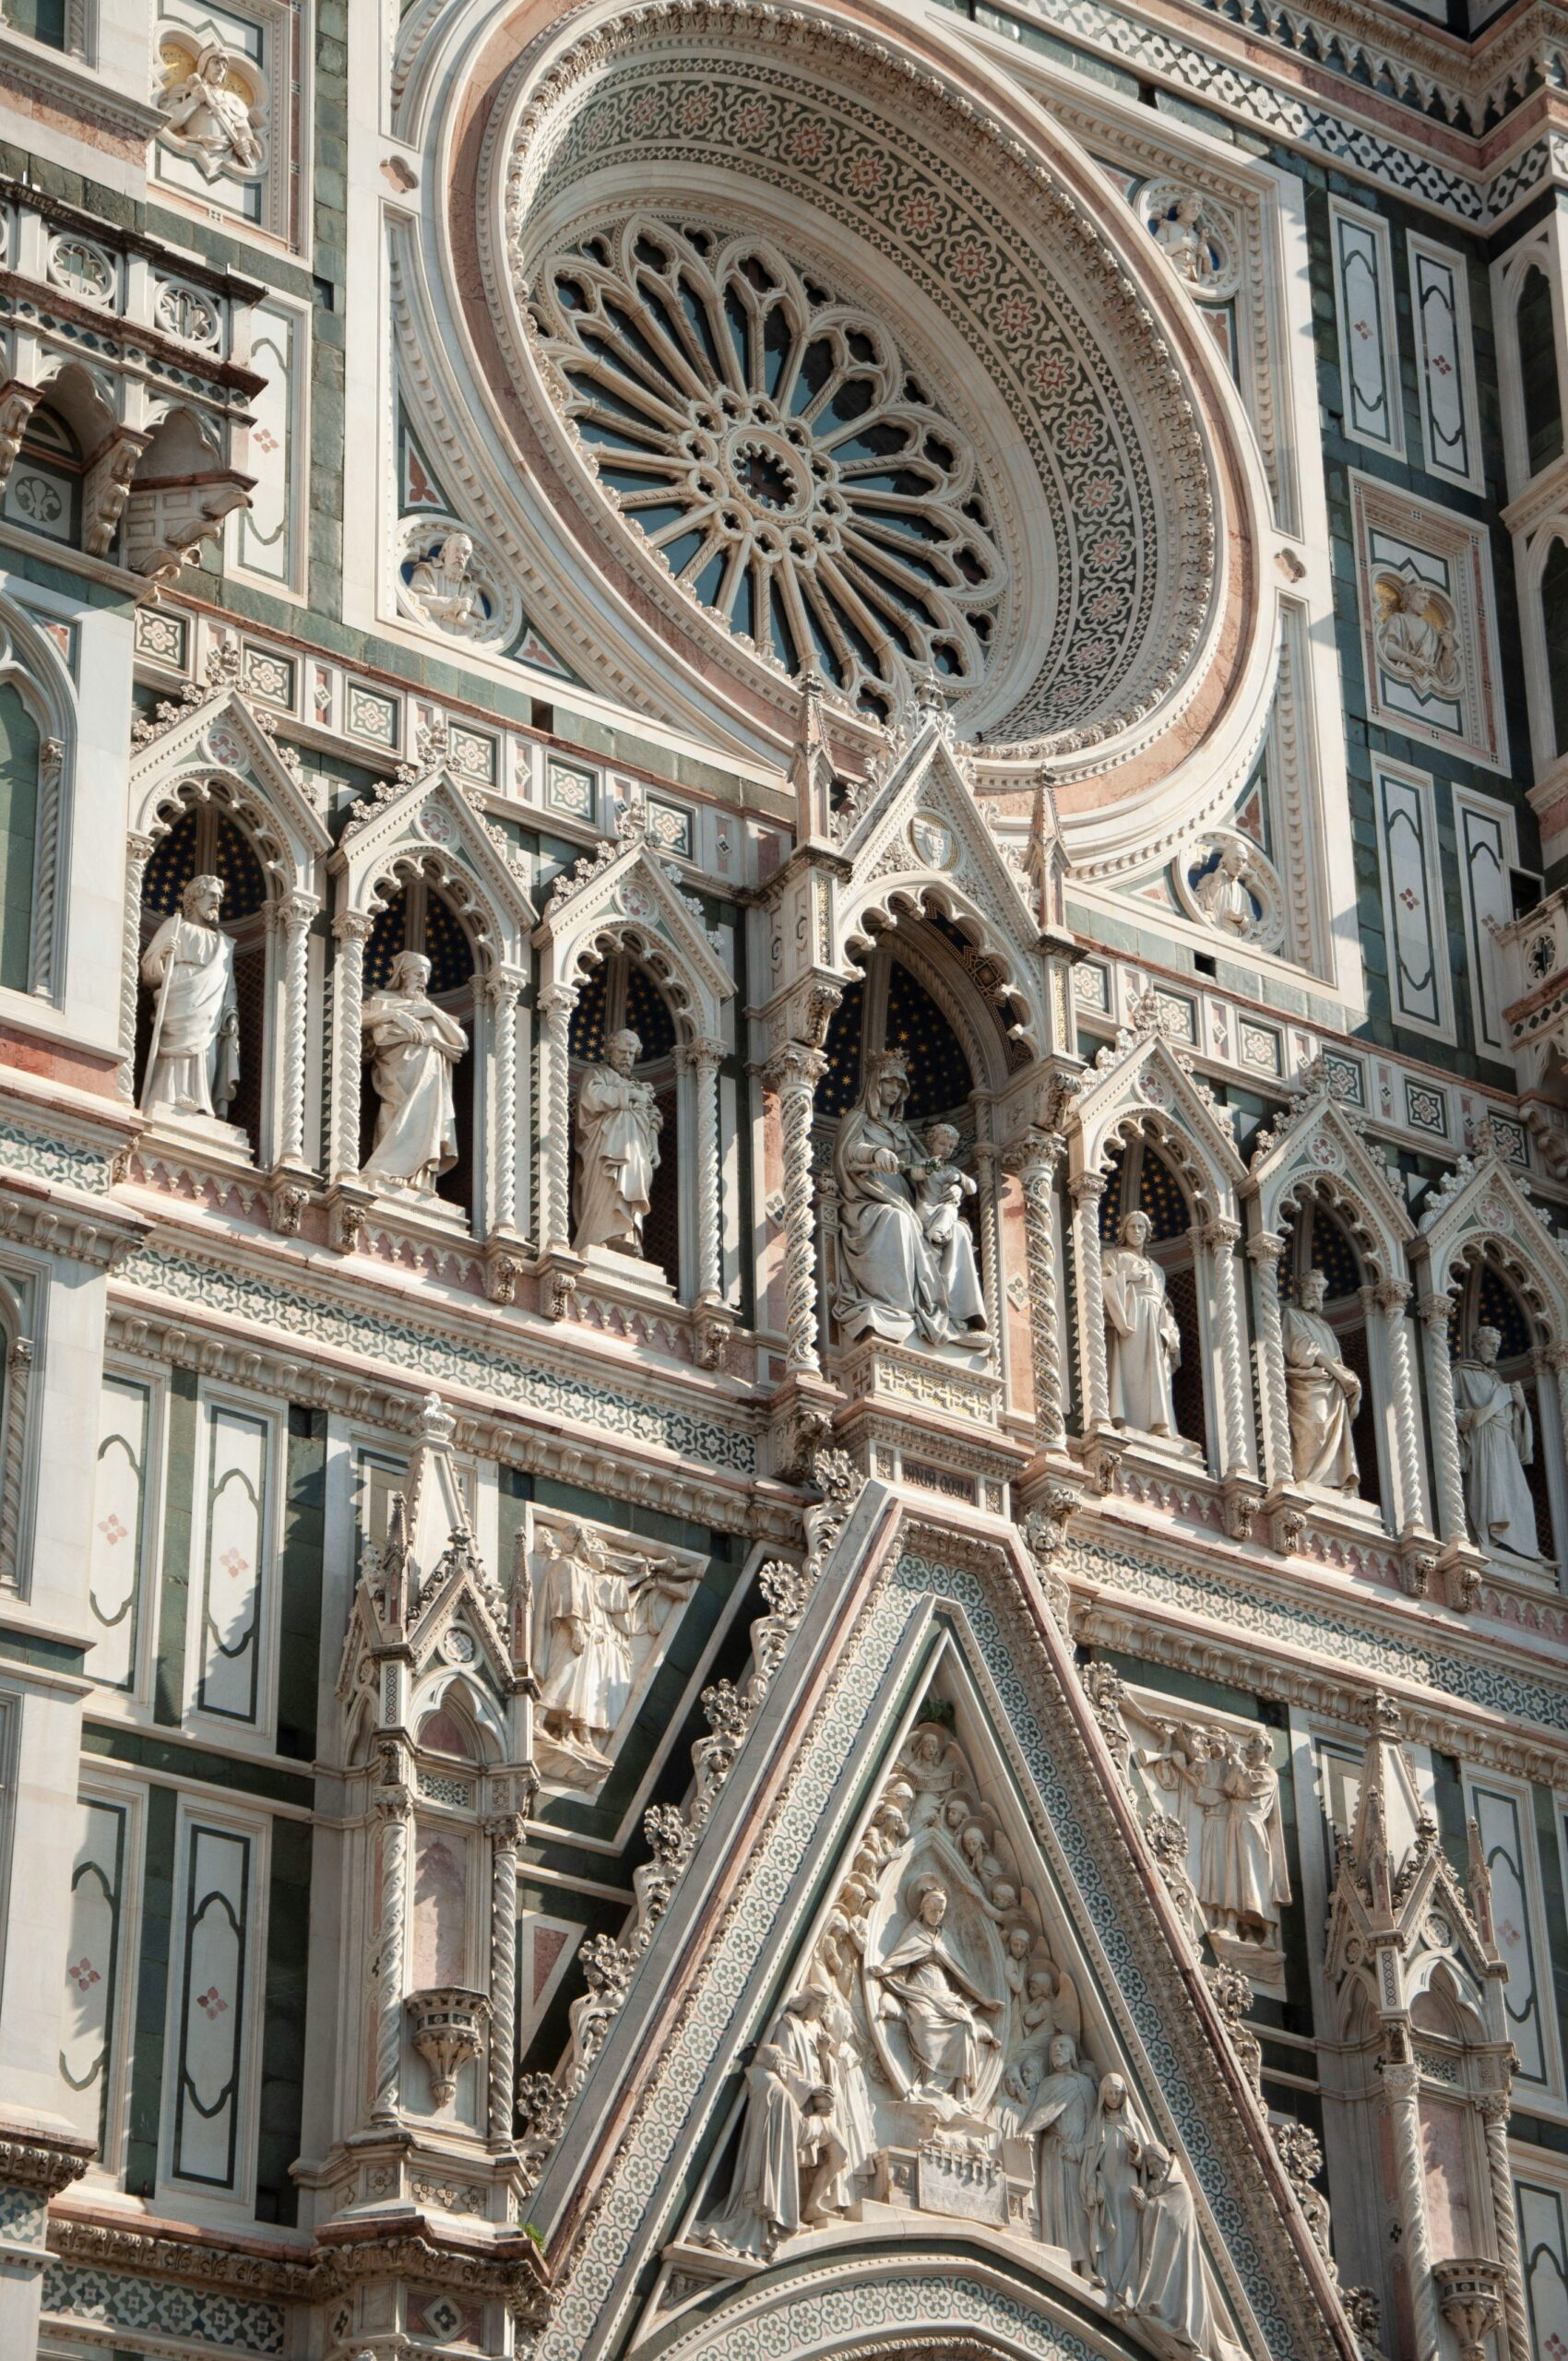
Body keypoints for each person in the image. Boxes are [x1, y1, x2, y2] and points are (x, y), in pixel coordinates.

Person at [700, 1988, 842, 2259]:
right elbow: (789, 2068)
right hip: (797, 2112)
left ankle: (811, 2204)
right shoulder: (788, 2027)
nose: (822, 2015)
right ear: (809, 2003)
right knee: (833, 2144)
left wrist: (824, 2057)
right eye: (820, 2008)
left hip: (807, 2108)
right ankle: (797, 2210)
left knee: (839, 2147)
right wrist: (812, 2092)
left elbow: (807, 2072)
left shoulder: (813, 2033)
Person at [870, 1875, 1002, 2105]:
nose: (937, 1914)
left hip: (942, 1992)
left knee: (965, 2023)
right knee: (925, 2021)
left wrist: (985, 2000)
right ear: (924, 1907)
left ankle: (958, 2093)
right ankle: (929, 2084)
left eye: (941, 1911)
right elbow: (898, 1959)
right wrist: (885, 1969)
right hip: (920, 1991)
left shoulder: (945, 1938)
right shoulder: (913, 1932)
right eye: (933, 1909)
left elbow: (962, 1975)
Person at [359, 950, 465, 1196]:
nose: (423, 981)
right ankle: (384, 1169)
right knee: (395, 1112)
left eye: (426, 975)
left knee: (426, 1120)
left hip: (431, 1076)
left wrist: (434, 1013)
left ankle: (418, 1180)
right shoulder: (384, 998)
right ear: (403, 974)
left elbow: (461, 1042)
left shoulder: (428, 1008)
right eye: (418, 974)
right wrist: (396, 1014)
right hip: (398, 1069)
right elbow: (358, 1018)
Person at [140, 872, 239, 1122]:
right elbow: (149, 971)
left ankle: (201, 1100)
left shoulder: (224, 943)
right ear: (195, 898)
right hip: (178, 994)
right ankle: (169, 1097)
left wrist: (231, 1011)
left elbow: (229, 984)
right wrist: (164, 953)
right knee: (175, 1050)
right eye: (212, 896)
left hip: (210, 1005)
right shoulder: (175, 927)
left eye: (220, 897)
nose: (217, 901)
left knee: (206, 1053)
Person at [573, 1027, 662, 1255]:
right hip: (604, 1149)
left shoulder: (639, 1085)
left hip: (636, 1151)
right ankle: (598, 1235)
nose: (626, 1058)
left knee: (631, 1188)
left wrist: (654, 1146)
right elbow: (590, 1099)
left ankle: (627, 1237)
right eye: (622, 1052)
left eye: (631, 1054)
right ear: (610, 1050)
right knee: (607, 1188)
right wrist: (631, 1095)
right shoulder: (596, 1074)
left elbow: (653, 1117)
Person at [1455, 1323, 1540, 1558]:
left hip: (1505, 1443)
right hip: (1483, 1439)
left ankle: (1520, 1547)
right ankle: (1490, 1540)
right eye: (1491, 1345)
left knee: (1519, 1496)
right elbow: (1442, 1404)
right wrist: (1461, 1416)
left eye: (1498, 1346)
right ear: (1477, 1345)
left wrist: (1521, 1406)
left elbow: (1517, 1432)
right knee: (1490, 1492)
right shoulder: (1463, 1373)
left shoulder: (1499, 1382)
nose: (1495, 1350)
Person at [1020, 2032, 1099, 2272]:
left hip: (1075, 2155)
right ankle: (1056, 2258)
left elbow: (1095, 2126)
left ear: (1073, 2053)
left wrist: (1079, 2149)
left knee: (1077, 2208)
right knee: (1054, 2204)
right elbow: (1037, 2116)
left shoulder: (1083, 2085)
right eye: (1053, 2047)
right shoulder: (1047, 2085)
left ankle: (1085, 2264)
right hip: (1052, 2154)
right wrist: (1025, 2132)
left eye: (1062, 2047)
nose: (1056, 2051)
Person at [1133, 2145, 1222, 2355]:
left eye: (1154, 2165)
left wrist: (1147, 2206)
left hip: (1174, 2258)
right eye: (1149, 2167)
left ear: (1164, 2161)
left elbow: (1172, 2218)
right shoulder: (1161, 2184)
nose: (1152, 2171)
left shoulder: (1179, 2189)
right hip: (1163, 2250)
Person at [1102, 1210, 1182, 1436]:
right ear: (1123, 1231)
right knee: (1131, 1369)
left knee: (1156, 1373)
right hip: (1130, 1319)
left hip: (1155, 1324)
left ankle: (1158, 1424)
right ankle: (1129, 1420)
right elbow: (1101, 1286)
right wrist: (1127, 1278)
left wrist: (1171, 1329)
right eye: (1132, 1227)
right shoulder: (1114, 1256)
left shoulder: (1157, 1269)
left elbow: (1165, 1303)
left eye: (1141, 1227)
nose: (1136, 1231)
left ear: (1148, 1233)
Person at [1282, 1269, 1361, 1491]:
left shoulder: (1325, 1326)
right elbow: (1304, 1349)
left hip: (1332, 1387)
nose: (1316, 1292)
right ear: (1300, 1290)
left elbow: (1335, 1359)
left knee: (1332, 1435)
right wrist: (1339, 1375)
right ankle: (1310, 1480)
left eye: (1320, 1288)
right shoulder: (1292, 1315)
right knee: (1315, 1428)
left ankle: (1332, 1484)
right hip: (1308, 1383)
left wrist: (1348, 1378)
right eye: (1311, 1287)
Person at [1082, 2071, 1155, 2306]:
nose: (1113, 2097)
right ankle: (1107, 2278)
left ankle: (1129, 2282)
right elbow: (1090, 2158)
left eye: (1117, 2093)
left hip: (1128, 2189)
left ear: (1124, 2096)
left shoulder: (1131, 2124)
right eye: (1109, 2093)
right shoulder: (1098, 2125)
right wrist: (1092, 2182)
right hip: (1108, 2190)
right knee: (1107, 2229)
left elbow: (1148, 2161)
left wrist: (1137, 2151)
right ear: (1103, 2095)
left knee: (1130, 2233)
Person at [912, 1122, 987, 1331]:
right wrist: (928, 1168)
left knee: (951, 1212)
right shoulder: (926, 1164)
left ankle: (957, 1309)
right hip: (925, 1211)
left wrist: (960, 1182)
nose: (946, 1149)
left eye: (951, 1146)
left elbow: (972, 1187)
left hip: (943, 1215)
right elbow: (916, 1174)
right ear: (931, 1143)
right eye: (942, 1143)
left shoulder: (952, 1170)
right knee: (948, 1213)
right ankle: (935, 1234)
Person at [160, 48, 262, 174]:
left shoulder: (232, 101)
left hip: (227, 158)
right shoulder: (183, 91)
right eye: (216, 62)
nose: (221, 68)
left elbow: (248, 141)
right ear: (204, 65)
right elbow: (167, 122)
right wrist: (194, 100)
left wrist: (244, 145)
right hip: (191, 148)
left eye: (224, 65)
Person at [1195, 842, 1254, 936]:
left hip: (1233, 937)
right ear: (1225, 860)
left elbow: (1252, 925)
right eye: (1237, 859)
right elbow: (1198, 902)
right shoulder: (1210, 878)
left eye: (1243, 861)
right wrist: (1216, 883)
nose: (1240, 864)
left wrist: (1240, 920)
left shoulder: (1243, 893)